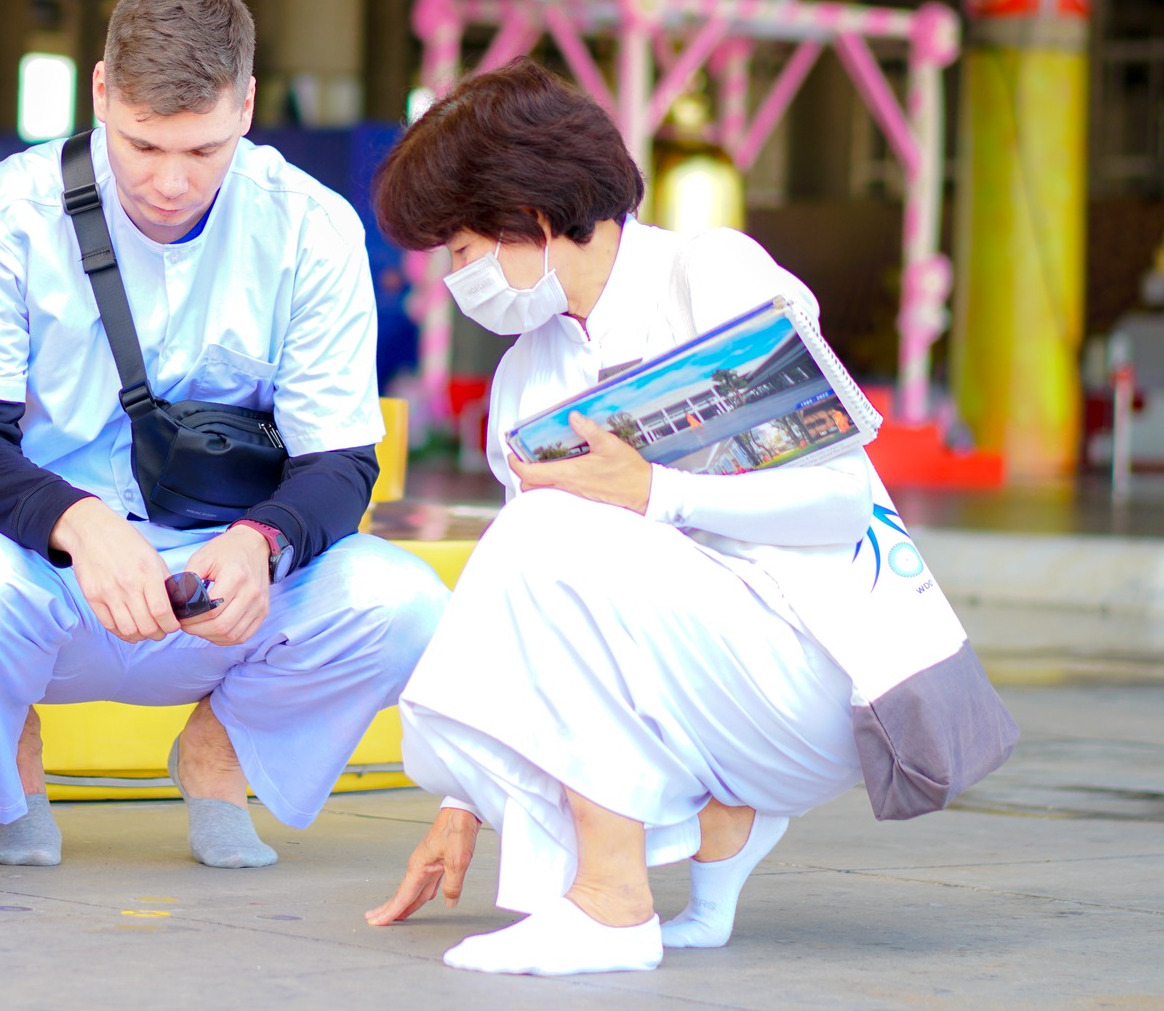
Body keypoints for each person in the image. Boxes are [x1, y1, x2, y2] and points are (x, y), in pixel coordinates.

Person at [363, 58, 953, 975]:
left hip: (814, 671)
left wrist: (655, 492)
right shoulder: (528, 374)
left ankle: (610, 901)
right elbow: (537, 626)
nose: (457, 277)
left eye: (463, 250)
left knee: (545, 529)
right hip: (695, 678)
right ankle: (720, 824)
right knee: (446, 710)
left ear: (535, 219)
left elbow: (842, 501)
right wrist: (465, 803)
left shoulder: (708, 273)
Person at [0, 0, 448, 870]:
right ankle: (13, 765)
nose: (168, 181)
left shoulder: (313, 227)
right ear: (101, 93)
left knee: (405, 604)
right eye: (143, 143)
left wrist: (264, 541)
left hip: (223, 592)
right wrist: (77, 525)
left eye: (203, 150)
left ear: (248, 106)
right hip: (48, 579)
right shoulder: (1, 217)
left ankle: (219, 746)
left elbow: (341, 462)